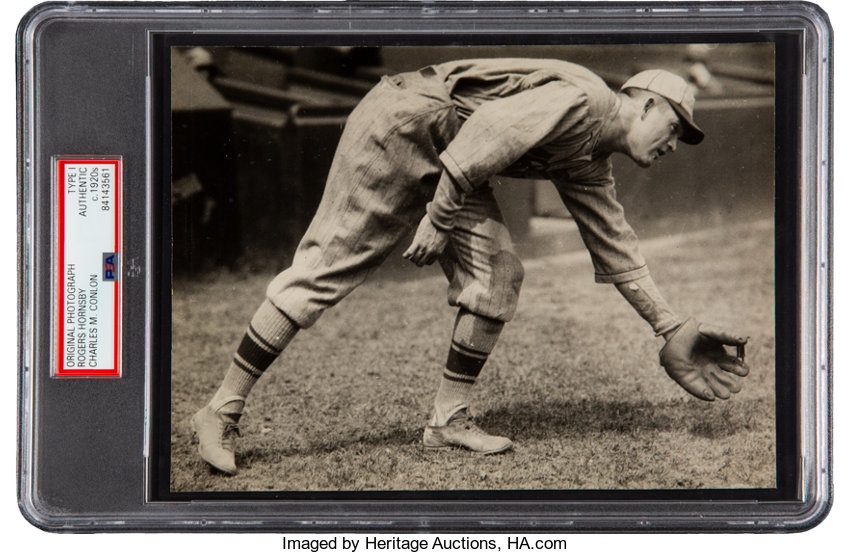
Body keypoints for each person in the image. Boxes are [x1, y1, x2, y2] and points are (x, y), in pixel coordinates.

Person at [191, 59, 749, 475]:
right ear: (645, 103)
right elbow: (490, 131)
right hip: (404, 120)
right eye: (674, 127)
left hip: (453, 154)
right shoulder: (586, 101)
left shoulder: (592, 162)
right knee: (326, 269)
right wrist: (438, 215)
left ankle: (447, 422)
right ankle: (220, 409)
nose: (674, 143)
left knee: (498, 276)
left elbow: (616, 247)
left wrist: (669, 325)